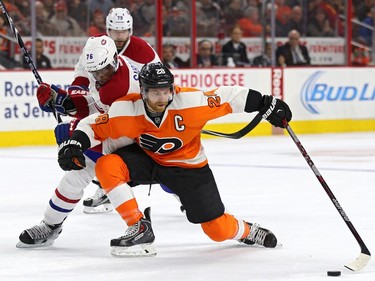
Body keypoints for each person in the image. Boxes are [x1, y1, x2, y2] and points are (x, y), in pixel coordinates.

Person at [55, 62, 292, 257]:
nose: (162, 97)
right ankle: (139, 227)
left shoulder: (191, 103)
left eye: (166, 91)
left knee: (217, 230)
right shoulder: (127, 109)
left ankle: (247, 231)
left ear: (172, 89)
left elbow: (231, 96)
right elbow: (92, 126)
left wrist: (267, 104)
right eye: (155, 92)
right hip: (148, 161)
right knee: (107, 165)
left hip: (189, 168)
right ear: (143, 91)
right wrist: (75, 143)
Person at [15, 35, 142, 249]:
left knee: (170, 174)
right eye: (95, 73)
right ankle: (50, 225)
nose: (99, 77)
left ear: (114, 60)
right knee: (75, 175)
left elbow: (108, 123)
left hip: (133, 136)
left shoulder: (121, 87)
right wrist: (63, 100)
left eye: (104, 71)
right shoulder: (104, 69)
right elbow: (95, 105)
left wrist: (73, 128)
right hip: (114, 131)